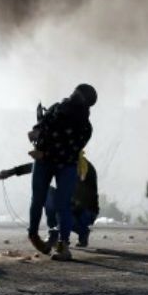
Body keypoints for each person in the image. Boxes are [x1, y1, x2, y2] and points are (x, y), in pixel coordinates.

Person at [26, 84, 96, 261]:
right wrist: (35, 132)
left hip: (65, 165)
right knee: (37, 200)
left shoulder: (84, 128)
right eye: (75, 92)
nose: (73, 96)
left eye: (79, 95)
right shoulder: (56, 109)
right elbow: (42, 125)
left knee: (62, 204)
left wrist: (44, 153)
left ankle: (63, 245)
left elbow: (69, 151)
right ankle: (33, 235)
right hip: (43, 162)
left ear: (85, 103)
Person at [0, 154, 100, 248]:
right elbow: (36, 167)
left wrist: (62, 212)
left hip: (85, 211)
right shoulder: (63, 160)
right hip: (69, 206)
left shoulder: (82, 167)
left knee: (62, 210)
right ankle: (56, 232)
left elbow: (83, 199)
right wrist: (11, 172)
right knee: (48, 193)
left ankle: (78, 232)